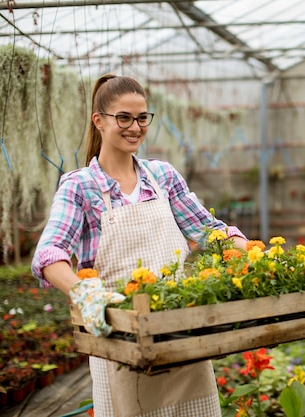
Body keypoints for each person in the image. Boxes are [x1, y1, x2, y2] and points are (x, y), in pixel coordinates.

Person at [31, 73, 248, 417]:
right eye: (124, 117)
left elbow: (208, 231)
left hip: (179, 334)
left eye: (142, 117)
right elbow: (49, 255)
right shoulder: (80, 187)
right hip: (120, 339)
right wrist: (84, 293)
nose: (135, 126)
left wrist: (245, 249)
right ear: (99, 121)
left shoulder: (162, 177)